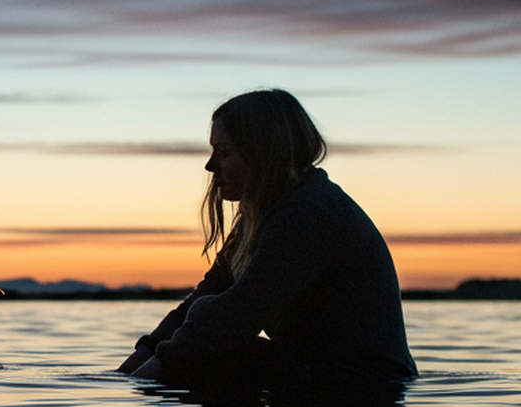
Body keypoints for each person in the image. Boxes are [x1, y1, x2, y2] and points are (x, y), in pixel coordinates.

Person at [118, 89, 415, 385]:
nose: (210, 166)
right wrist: (131, 369)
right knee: (204, 320)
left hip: (368, 384)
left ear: (262, 154)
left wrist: (145, 383)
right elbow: (208, 294)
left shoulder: (306, 213)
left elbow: (239, 313)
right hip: (325, 375)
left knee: (211, 344)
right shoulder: (264, 214)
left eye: (224, 153)